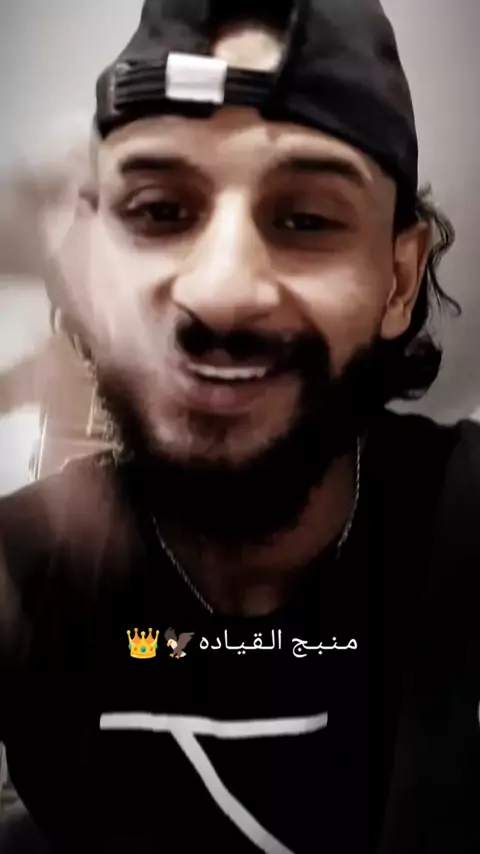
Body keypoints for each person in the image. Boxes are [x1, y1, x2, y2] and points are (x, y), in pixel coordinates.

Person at [1, 1, 479, 852]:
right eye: (159, 211)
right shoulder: (22, 568)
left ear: (399, 281)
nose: (221, 293)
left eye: (306, 220)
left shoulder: (462, 515)